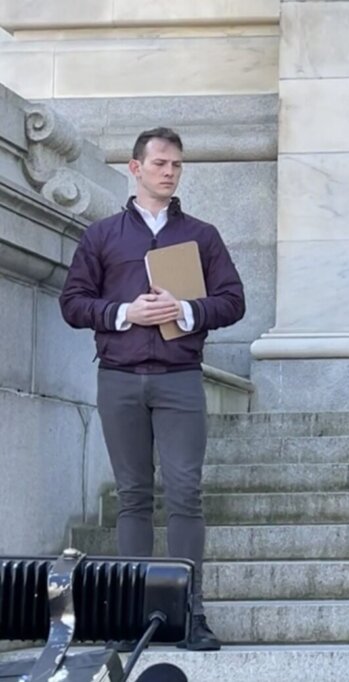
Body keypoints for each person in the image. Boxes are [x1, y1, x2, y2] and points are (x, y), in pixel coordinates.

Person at [59, 127, 246, 651]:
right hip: (118, 377)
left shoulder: (202, 236)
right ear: (135, 168)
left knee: (186, 493)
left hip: (179, 377)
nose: (169, 172)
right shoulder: (102, 235)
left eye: (177, 165)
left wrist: (184, 310)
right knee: (133, 497)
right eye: (160, 163)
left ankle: (190, 614)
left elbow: (233, 301)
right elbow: (73, 303)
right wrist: (126, 312)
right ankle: (129, 616)